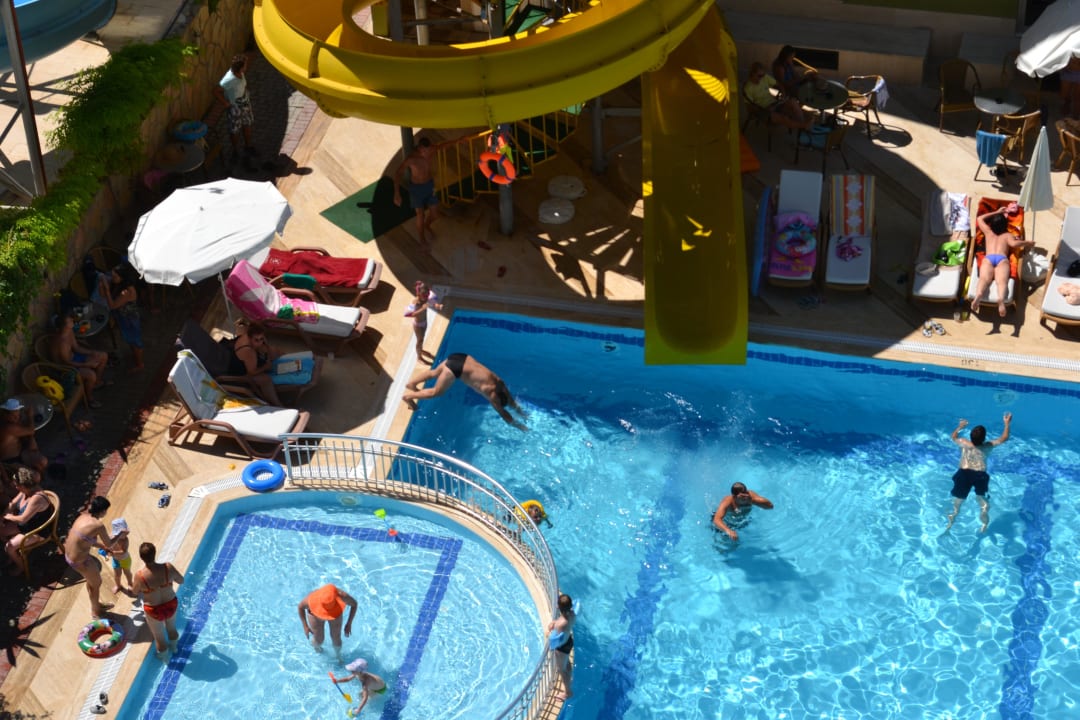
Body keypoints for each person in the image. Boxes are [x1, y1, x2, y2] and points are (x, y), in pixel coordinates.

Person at [402, 353, 528, 430]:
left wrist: (521, 412)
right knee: (436, 392)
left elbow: (511, 401)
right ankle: (408, 397)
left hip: (462, 357)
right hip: (455, 369)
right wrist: (519, 426)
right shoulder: (492, 395)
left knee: (435, 373)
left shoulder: (500, 384)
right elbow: (503, 413)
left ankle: (411, 384)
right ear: (498, 399)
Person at [946, 413, 1012, 533]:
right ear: (984, 438)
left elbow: (953, 436)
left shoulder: (964, 442)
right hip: (980, 475)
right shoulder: (988, 446)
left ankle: (952, 518)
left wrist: (960, 426)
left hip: (964, 473)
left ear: (971, 437)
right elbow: (1004, 438)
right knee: (981, 498)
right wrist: (1007, 424)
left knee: (959, 499)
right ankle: (984, 522)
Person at [971, 202, 1033, 317]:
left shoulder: (988, 232)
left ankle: (978, 295)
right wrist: (1027, 242)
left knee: (984, 279)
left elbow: (979, 219)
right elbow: (1014, 244)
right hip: (1002, 259)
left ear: (992, 224)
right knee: (1002, 282)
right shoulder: (1007, 235)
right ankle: (1000, 299)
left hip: (988, 258)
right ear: (1005, 224)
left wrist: (996, 212)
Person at [62, 496, 114, 618]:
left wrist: (102, 546)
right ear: (102, 511)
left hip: (70, 556)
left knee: (92, 582)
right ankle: (95, 612)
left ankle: (96, 604)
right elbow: (110, 543)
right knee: (96, 583)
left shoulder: (82, 517)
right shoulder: (98, 525)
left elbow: (85, 539)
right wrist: (121, 533)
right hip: (81, 561)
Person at [133, 541, 185, 656]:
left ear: (141, 557)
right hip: (171, 604)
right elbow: (181, 580)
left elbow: (135, 592)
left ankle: (165, 659)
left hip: (154, 610)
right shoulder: (168, 567)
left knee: (159, 637)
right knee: (172, 629)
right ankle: (174, 649)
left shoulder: (140, 576)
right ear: (155, 553)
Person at [393, 138, 445, 245]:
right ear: (420, 148)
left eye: (429, 150)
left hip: (429, 186)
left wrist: (459, 140)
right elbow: (398, 173)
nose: (427, 153)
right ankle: (422, 238)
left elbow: (443, 145)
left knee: (435, 214)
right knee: (420, 215)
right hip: (416, 189)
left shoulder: (431, 150)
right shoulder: (411, 159)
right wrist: (397, 193)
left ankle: (427, 225)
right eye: (425, 151)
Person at [50, 313, 109, 408]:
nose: (72, 321)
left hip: (74, 358)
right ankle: (90, 399)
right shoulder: (61, 342)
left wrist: (91, 352)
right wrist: (87, 365)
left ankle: (96, 383)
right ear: (64, 326)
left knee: (103, 356)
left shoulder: (69, 331)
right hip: (66, 368)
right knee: (91, 375)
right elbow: (66, 363)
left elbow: (76, 347)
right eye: (70, 321)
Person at [1, 467, 53, 574]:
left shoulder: (36, 498)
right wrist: (2, 516)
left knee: (8, 547)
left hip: (37, 531)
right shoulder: (25, 491)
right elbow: (12, 504)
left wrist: (8, 517)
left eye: (17, 485)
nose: (15, 486)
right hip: (27, 525)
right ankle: (15, 555)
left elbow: (22, 519)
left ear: (24, 486)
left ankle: (21, 566)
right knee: (1, 531)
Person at [97, 261, 144, 372]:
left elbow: (112, 305)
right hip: (123, 317)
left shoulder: (127, 291)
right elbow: (103, 295)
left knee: (135, 342)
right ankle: (135, 355)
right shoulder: (118, 284)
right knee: (130, 340)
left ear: (122, 277)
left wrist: (107, 290)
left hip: (130, 320)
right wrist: (102, 286)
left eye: (115, 276)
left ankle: (140, 364)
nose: (112, 278)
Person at [229, 319, 283, 406]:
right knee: (265, 380)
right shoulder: (248, 351)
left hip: (249, 360)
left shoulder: (253, 334)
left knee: (276, 351)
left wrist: (269, 351)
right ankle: (277, 404)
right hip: (241, 372)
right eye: (256, 340)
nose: (260, 342)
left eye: (261, 339)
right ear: (250, 338)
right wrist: (266, 367)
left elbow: (265, 344)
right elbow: (251, 372)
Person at [745, 62, 813, 130]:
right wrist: (762, 109)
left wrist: (783, 93)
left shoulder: (765, 78)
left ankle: (803, 124)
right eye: (760, 76)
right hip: (764, 110)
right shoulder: (748, 88)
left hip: (774, 103)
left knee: (793, 102)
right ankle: (803, 126)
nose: (762, 77)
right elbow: (749, 108)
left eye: (763, 75)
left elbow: (779, 85)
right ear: (752, 74)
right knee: (784, 118)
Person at [214, 54, 256, 162]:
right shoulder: (229, 79)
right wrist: (225, 103)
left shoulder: (241, 73)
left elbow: (243, 84)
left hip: (245, 104)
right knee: (235, 130)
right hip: (235, 109)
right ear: (241, 67)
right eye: (245, 65)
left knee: (247, 124)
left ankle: (248, 146)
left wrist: (246, 90)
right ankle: (235, 151)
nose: (246, 66)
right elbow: (215, 91)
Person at [298, 583, 358, 660]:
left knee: (336, 638)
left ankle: (338, 656)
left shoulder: (342, 595)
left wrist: (349, 623)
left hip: (335, 614)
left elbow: (354, 604)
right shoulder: (311, 600)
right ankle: (318, 651)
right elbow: (300, 607)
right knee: (318, 640)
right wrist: (305, 626)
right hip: (315, 615)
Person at [0, 398, 48, 474]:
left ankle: (38, 473)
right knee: (36, 476)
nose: (16, 418)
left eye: (18, 415)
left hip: (20, 453)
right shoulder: (8, 427)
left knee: (43, 461)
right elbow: (31, 431)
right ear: (6, 414)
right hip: (10, 461)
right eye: (14, 416)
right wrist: (30, 416)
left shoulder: (12, 421)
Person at [546, 593, 577, 701]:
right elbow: (563, 623)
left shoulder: (560, 624)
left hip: (562, 648)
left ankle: (567, 692)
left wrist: (549, 633)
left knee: (561, 670)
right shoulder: (572, 614)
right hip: (569, 641)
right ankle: (569, 676)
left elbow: (555, 639)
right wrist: (555, 623)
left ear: (558, 607)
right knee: (566, 663)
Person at [404, 280, 443, 362]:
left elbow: (433, 302)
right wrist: (422, 309)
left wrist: (438, 305)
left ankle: (420, 350)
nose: (426, 297)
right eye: (425, 295)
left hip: (424, 322)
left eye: (427, 294)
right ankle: (419, 357)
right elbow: (407, 314)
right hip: (418, 325)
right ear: (419, 294)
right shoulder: (415, 302)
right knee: (419, 341)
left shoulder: (427, 296)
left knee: (421, 339)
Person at [101, 517, 134, 595]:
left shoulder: (125, 540)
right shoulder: (111, 537)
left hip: (125, 560)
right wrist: (105, 550)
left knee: (127, 573)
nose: (127, 534)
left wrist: (113, 552)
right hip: (116, 560)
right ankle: (118, 585)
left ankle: (130, 584)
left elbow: (123, 551)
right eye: (125, 533)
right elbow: (106, 544)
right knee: (117, 575)